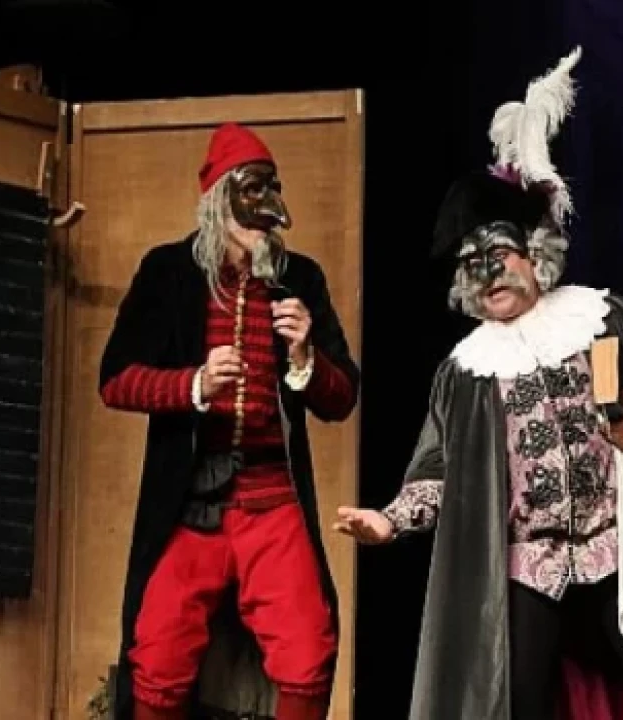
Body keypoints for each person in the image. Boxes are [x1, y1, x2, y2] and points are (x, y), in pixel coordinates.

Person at [335, 47, 623, 719]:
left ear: (534, 255)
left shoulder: (601, 318)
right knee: (520, 703)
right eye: (473, 266)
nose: (490, 275)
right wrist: (391, 520)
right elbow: (440, 473)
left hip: (615, 547)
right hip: (528, 568)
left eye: (500, 256)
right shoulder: (466, 372)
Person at [99, 122, 360, 720]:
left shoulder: (301, 278)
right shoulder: (168, 272)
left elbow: (342, 397)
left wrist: (306, 358)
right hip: (190, 503)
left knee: (308, 652)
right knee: (158, 659)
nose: (262, 221)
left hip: (272, 499)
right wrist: (191, 383)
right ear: (219, 201)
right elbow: (115, 380)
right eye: (250, 197)